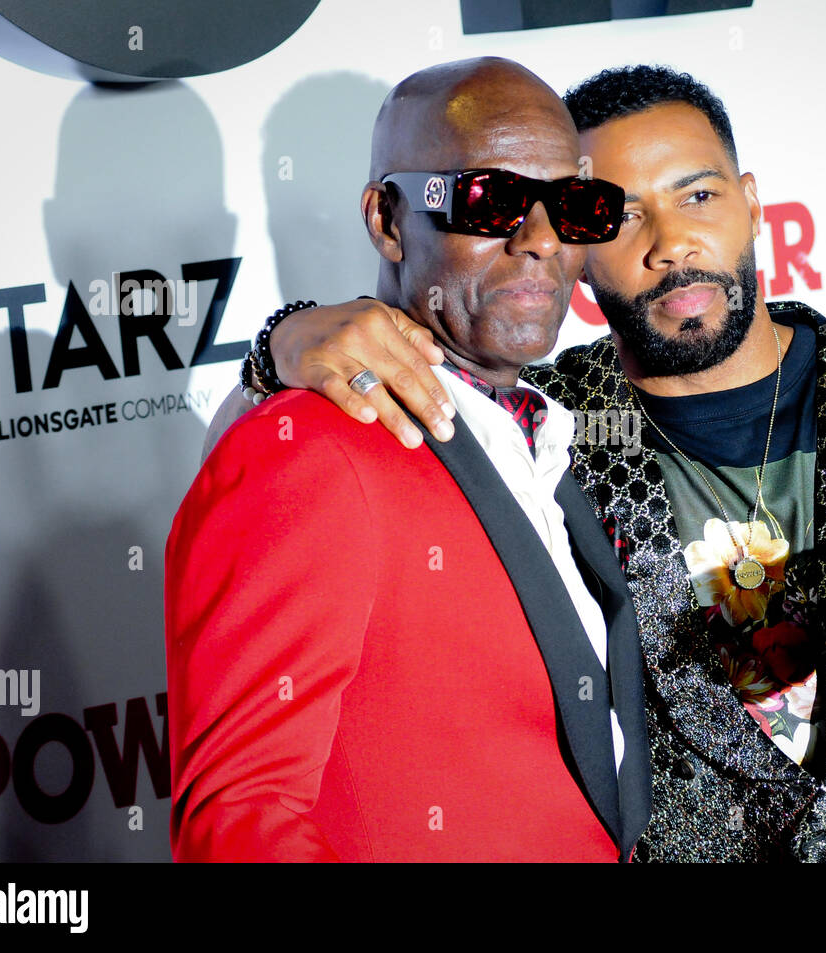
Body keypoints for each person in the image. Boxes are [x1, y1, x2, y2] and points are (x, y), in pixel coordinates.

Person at [210, 64, 826, 862]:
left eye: (698, 195)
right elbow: (327, 438)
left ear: (753, 202)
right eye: (615, 214)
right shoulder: (533, 426)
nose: (669, 243)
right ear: (575, 243)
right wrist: (280, 342)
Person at [164, 58, 651, 862]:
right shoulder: (307, 453)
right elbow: (241, 822)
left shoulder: (551, 430)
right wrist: (279, 348)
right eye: (491, 201)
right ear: (389, 221)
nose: (540, 241)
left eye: (573, 206)